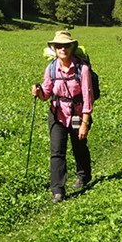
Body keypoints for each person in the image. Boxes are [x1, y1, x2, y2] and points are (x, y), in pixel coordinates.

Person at [32, 30, 93, 203]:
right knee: (57, 151)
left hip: (77, 114)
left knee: (79, 146)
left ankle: (83, 176)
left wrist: (84, 123)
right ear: (54, 48)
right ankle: (58, 190)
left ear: (72, 47)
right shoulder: (51, 68)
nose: (62, 49)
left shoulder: (83, 69)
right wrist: (39, 92)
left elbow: (88, 98)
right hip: (57, 114)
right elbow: (46, 94)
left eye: (66, 45)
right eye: (58, 46)